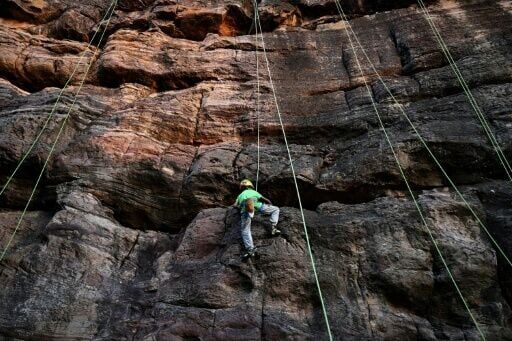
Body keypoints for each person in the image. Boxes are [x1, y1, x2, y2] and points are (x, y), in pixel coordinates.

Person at [234, 179, 280, 259]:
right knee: (276, 209)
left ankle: (250, 249)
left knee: (245, 230)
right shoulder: (254, 192)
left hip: (244, 211)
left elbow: (235, 205)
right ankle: (274, 228)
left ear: (242, 187)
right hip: (258, 206)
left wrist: (238, 206)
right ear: (250, 186)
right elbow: (265, 200)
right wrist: (269, 204)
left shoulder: (239, 195)